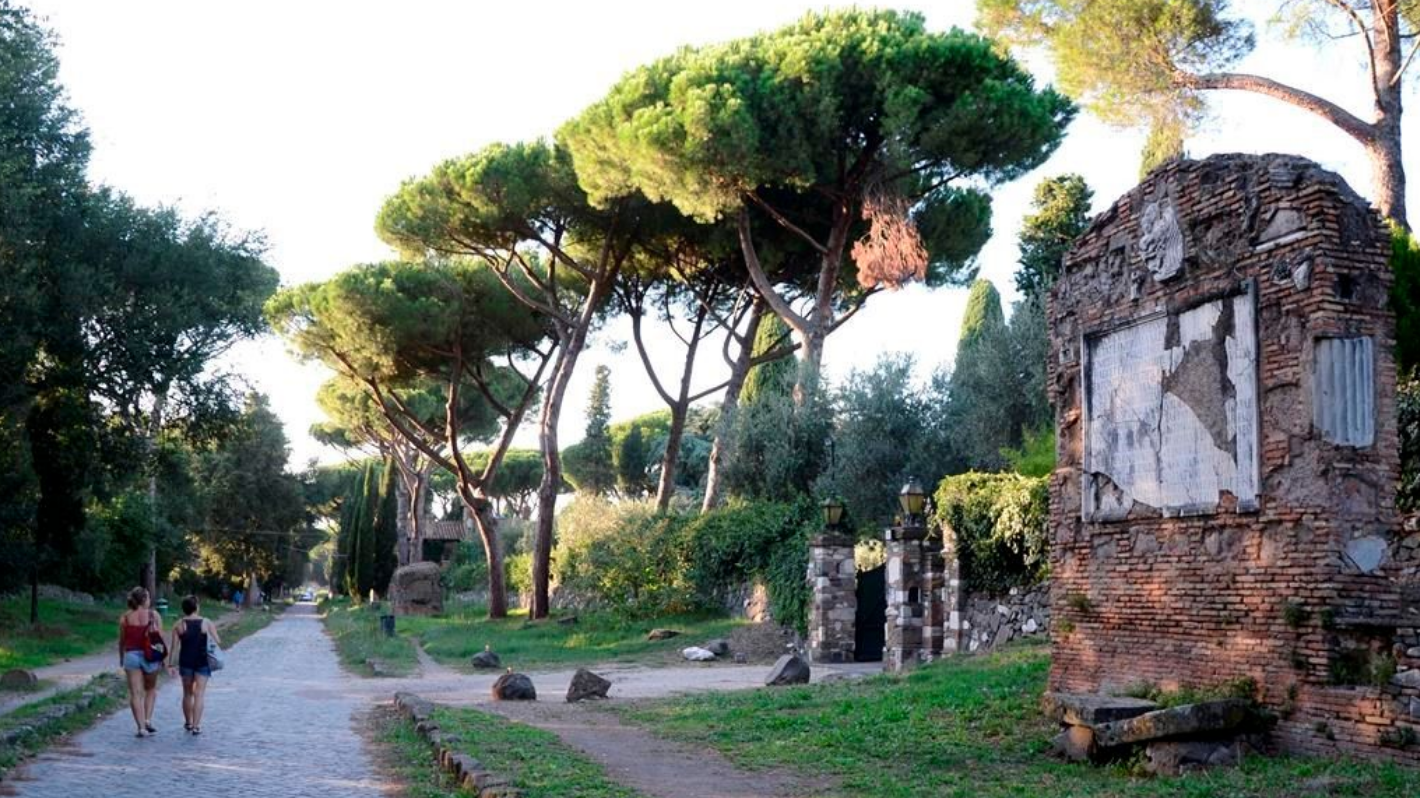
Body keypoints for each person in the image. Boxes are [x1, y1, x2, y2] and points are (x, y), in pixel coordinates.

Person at [167, 595, 220, 735]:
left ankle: (188, 722)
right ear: (196, 607)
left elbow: (174, 647)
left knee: (187, 693)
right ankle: (196, 726)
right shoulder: (206, 622)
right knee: (200, 694)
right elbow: (217, 641)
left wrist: (170, 664)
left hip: (185, 662)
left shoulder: (179, 624)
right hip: (202, 661)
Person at [117, 586, 164, 737]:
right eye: (149, 597)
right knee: (150, 689)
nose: (150, 600)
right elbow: (160, 639)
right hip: (149, 655)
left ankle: (141, 727)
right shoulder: (153, 615)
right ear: (143, 600)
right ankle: (148, 719)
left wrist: (121, 657)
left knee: (135, 693)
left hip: (131, 656)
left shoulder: (125, 617)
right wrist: (163, 659)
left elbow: (122, 640)